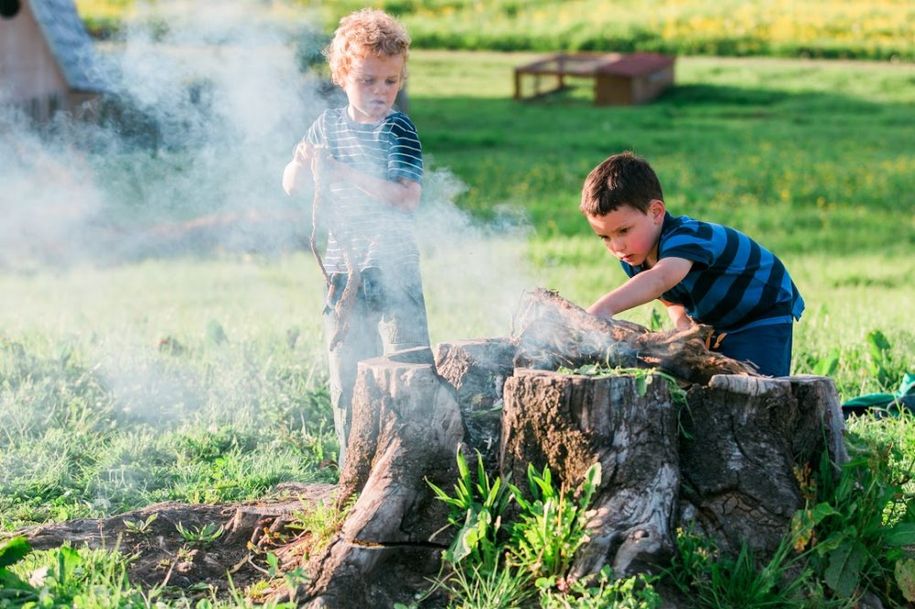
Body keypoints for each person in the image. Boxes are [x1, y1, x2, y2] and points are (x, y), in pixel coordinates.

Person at [282, 9, 429, 466]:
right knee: (346, 372)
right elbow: (291, 185)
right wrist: (302, 165)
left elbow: (407, 198)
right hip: (343, 271)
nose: (382, 92)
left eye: (391, 82)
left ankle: (414, 460)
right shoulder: (326, 126)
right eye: (369, 81)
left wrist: (345, 172)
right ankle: (354, 467)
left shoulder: (397, 128)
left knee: (407, 367)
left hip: (393, 264)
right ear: (343, 75)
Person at [580, 151, 804, 377]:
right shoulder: (634, 256)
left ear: (656, 212)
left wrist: (601, 309)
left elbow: (660, 280)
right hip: (716, 316)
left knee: (758, 383)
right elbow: (669, 295)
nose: (617, 246)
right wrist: (680, 321)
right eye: (605, 237)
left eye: (623, 231)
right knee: (708, 378)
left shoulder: (685, 237)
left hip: (761, 306)